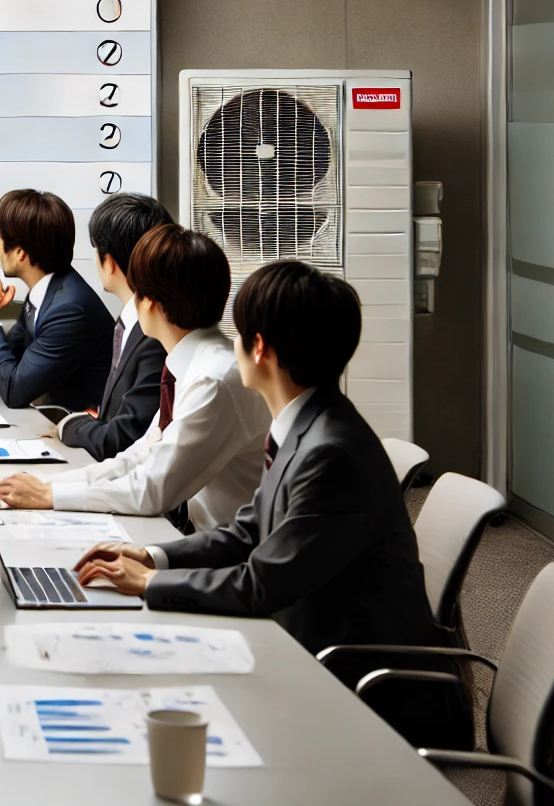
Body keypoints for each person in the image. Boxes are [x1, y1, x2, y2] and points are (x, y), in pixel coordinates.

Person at [71, 260, 462, 746]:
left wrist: (151, 583)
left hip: (361, 686)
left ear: (259, 348)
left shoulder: (329, 453)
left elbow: (261, 584)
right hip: (314, 644)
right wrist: (153, 555)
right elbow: (247, 530)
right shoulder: (308, 423)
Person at [0, 224, 265, 533]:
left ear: (150, 303)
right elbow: (136, 458)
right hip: (189, 535)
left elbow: (152, 489)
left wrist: (49, 495)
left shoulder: (212, 379)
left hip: (219, 552)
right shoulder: (192, 364)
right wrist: (46, 485)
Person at [0, 188, 113, 410]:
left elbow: (14, 392)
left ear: (20, 253)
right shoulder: (44, 294)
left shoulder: (69, 309)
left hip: (89, 437)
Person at [52, 193, 172, 460]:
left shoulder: (156, 337)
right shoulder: (128, 323)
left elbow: (119, 439)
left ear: (108, 262)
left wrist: (71, 424)